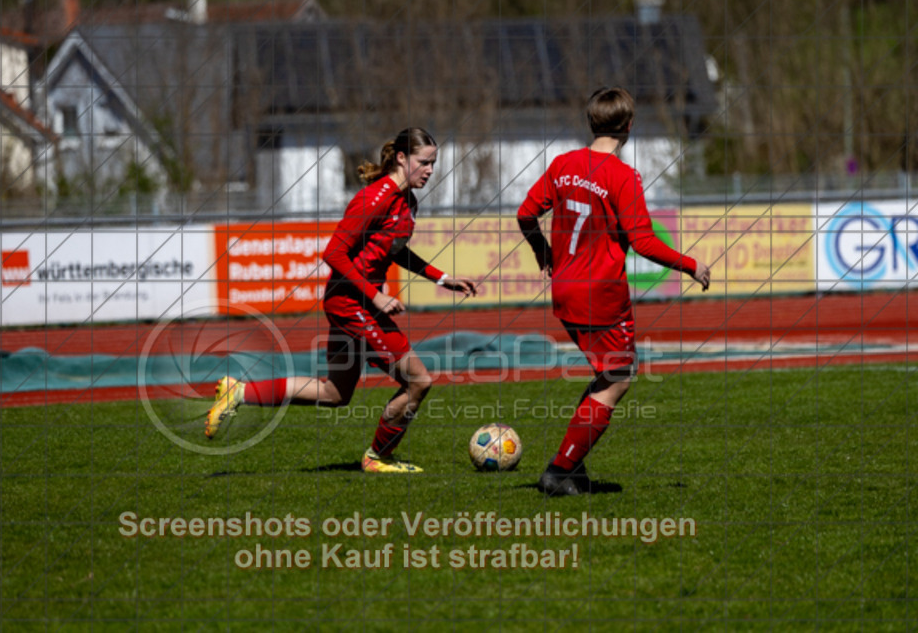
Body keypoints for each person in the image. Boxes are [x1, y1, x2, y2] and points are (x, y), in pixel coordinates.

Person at [206, 128, 479, 473]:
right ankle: (378, 458)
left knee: (335, 392)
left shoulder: (407, 201)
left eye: (433, 164)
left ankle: (239, 393)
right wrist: (375, 295)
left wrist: (442, 278)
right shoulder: (375, 197)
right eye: (424, 162)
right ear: (401, 158)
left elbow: (394, 251)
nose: (429, 170)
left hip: (353, 302)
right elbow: (334, 252)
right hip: (353, 303)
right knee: (419, 381)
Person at [517, 87, 710, 496]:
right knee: (619, 378)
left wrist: (543, 251)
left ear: (591, 122)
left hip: (565, 290)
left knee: (606, 375)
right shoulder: (623, 176)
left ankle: (573, 465)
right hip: (601, 296)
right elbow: (643, 241)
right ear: (629, 125)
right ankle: (559, 470)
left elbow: (525, 213)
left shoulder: (562, 164)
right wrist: (690, 264)